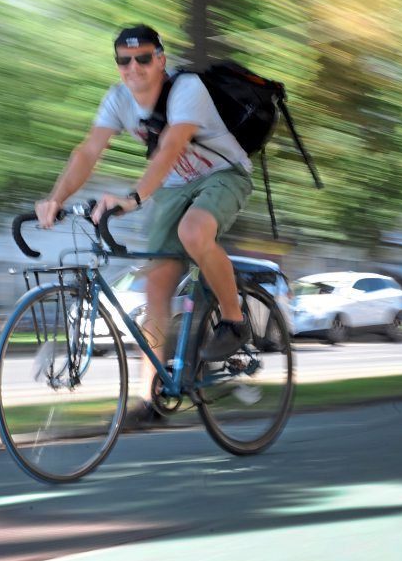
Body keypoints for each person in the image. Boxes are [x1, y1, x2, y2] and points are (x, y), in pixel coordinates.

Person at [35, 24, 254, 422]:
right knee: (156, 285)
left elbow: (172, 145)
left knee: (193, 232)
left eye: (143, 58)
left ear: (161, 59)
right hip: (173, 185)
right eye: (124, 60)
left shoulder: (187, 89)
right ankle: (149, 398)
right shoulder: (118, 99)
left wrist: (134, 198)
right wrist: (55, 198)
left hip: (223, 174)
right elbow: (88, 150)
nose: (133, 67)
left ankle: (235, 321)